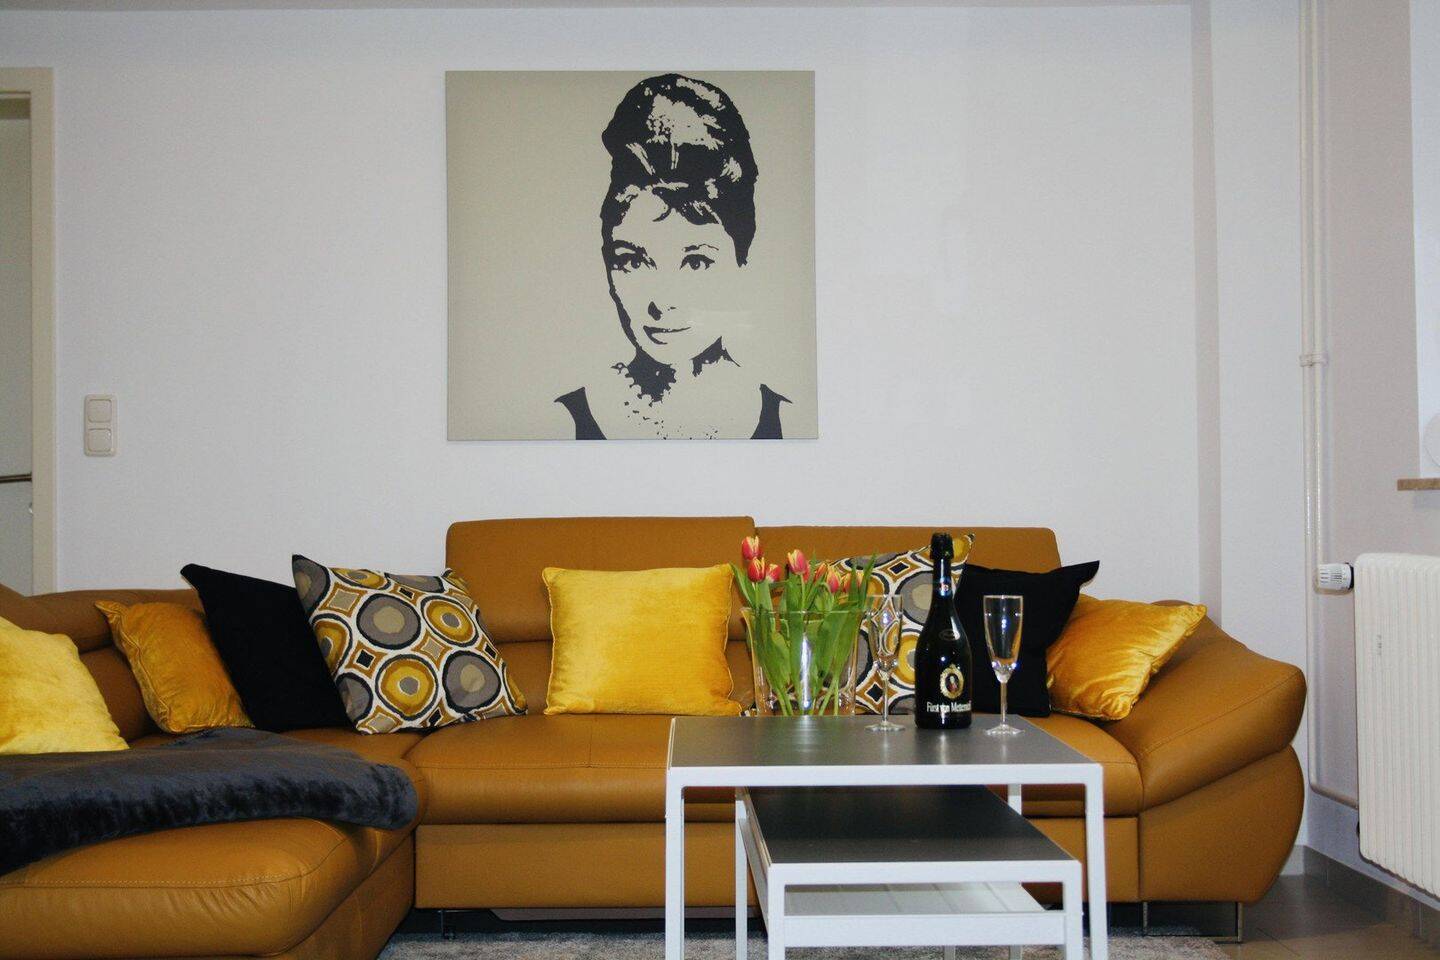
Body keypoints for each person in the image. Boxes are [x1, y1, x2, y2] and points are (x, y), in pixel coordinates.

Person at [555, 74, 789, 440]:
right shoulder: (561, 424)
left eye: (696, 262)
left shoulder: (790, 422)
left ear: (741, 260)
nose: (661, 303)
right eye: (632, 261)